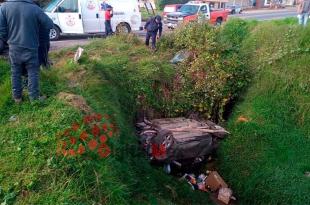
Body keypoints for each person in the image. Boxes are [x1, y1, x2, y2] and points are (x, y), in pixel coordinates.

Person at [0, 0, 53, 103]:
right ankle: (34, 99)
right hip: (31, 47)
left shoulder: (4, 7)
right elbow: (49, 25)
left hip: (14, 47)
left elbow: (2, 31)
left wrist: (11, 39)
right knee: (33, 72)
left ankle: (17, 98)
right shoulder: (34, 8)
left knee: (15, 72)